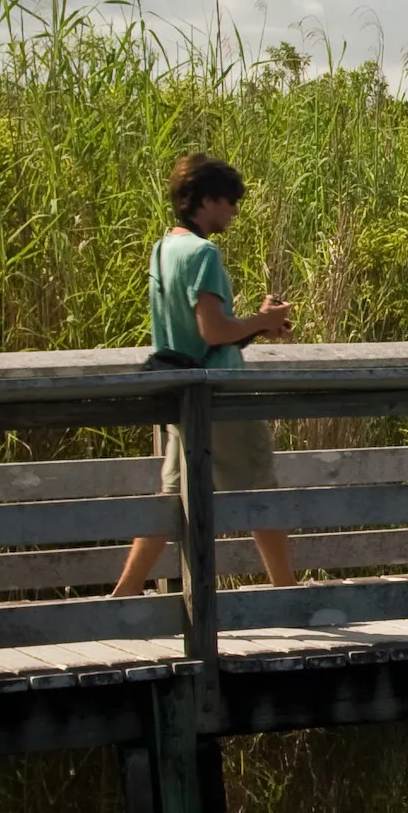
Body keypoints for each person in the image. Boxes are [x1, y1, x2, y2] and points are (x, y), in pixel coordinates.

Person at [114, 154, 300, 595]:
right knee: (260, 485)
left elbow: (194, 337)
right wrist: (260, 320)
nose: (235, 210)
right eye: (230, 201)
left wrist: (257, 327)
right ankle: (289, 593)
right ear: (206, 200)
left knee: (175, 495)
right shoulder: (202, 253)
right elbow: (213, 329)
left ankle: (123, 594)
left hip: (183, 390)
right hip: (220, 395)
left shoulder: (164, 250)